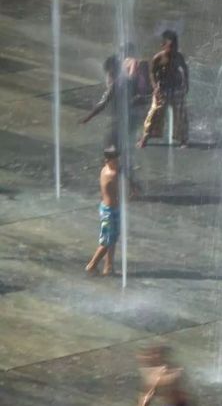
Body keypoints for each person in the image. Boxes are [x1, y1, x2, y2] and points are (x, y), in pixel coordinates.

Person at [80, 55, 142, 197]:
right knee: (121, 156)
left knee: (110, 156)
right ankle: (132, 187)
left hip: (117, 125)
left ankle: (118, 187)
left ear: (111, 70)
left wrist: (88, 117)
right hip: (127, 123)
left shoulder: (116, 83)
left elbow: (103, 103)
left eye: (108, 71)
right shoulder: (126, 80)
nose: (108, 75)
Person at [137, 30, 190, 149]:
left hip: (176, 87)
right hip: (162, 89)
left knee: (180, 113)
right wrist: (155, 87)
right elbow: (151, 73)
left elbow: (185, 70)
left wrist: (186, 83)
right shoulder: (158, 58)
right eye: (170, 47)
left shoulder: (179, 56)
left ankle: (183, 139)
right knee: (155, 112)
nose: (173, 49)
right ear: (163, 45)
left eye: (175, 46)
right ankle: (145, 137)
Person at [85, 146, 120, 276]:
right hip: (109, 211)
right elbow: (121, 189)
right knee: (106, 241)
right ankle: (92, 265)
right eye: (115, 160)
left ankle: (108, 266)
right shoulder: (112, 174)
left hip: (109, 209)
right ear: (107, 160)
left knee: (113, 238)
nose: (117, 163)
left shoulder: (105, 169)